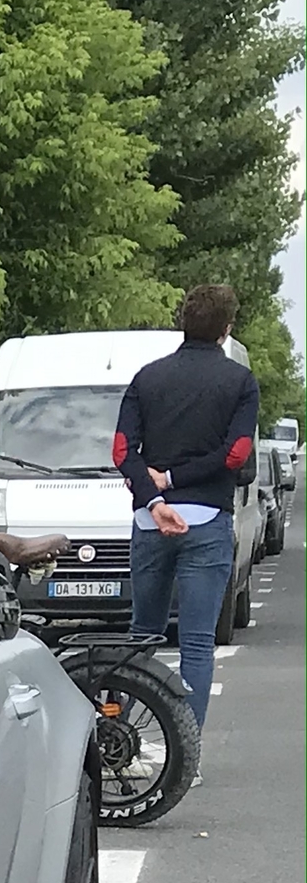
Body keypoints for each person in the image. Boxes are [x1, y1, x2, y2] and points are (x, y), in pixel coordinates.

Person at [113, 284, 259, 727]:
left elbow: (122, 450)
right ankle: (186, 755)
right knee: (196, 644)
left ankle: (122, 737)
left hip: (151, 522)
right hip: (207, 520)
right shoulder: (239, 382)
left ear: (183, 323)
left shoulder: (147, 377)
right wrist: (179, 479)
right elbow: (237, 454)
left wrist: (155, 497)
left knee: (142, 637)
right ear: (226, 330)